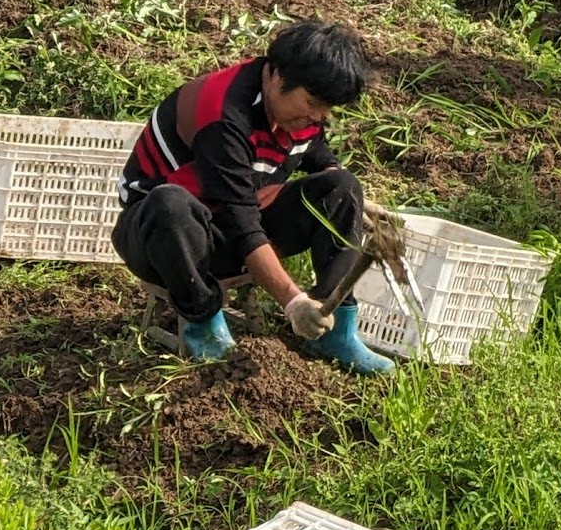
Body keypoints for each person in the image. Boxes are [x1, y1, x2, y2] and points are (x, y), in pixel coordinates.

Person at [113, 19, 392, 373]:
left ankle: (333, 323)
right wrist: (291, 302)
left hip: (232, 229)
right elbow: (239, 219)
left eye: (327, 109)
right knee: (171, 204)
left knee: (342, 188)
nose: (319, 116)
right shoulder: (224, 116)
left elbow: (316, 154)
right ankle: (204, 323)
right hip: (165, 241)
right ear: (276, 76)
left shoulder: (300, 111)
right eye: (313, 103)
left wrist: (352, 199)